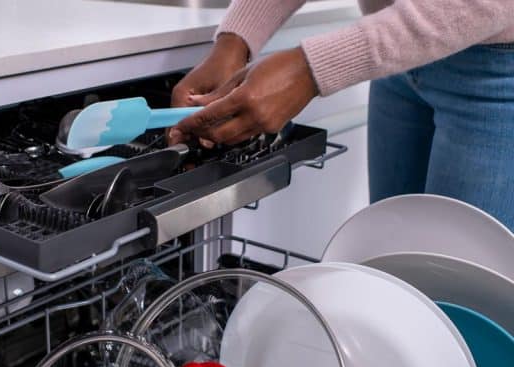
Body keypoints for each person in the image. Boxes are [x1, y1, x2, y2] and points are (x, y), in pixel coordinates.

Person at [168, 0, 514, 230]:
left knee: (466, 309)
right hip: (400, 57)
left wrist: (310, 69)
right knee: (397, 272)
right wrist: (235, 41)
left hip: (496, 71)